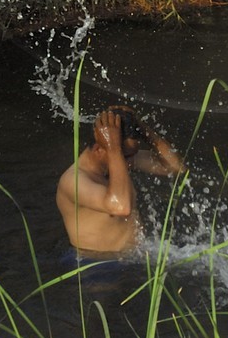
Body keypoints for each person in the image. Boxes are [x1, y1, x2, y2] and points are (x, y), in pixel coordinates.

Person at [55, 106, 185, 257]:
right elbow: (121, 207)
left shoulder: (119, 161)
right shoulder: (73, 180)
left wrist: (143, 130)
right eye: (125, 156)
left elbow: (176, 167)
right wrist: (113, 147)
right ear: (98, 149)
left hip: (133, 257)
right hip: (97, 263)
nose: (128, 163)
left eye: (132, 155)